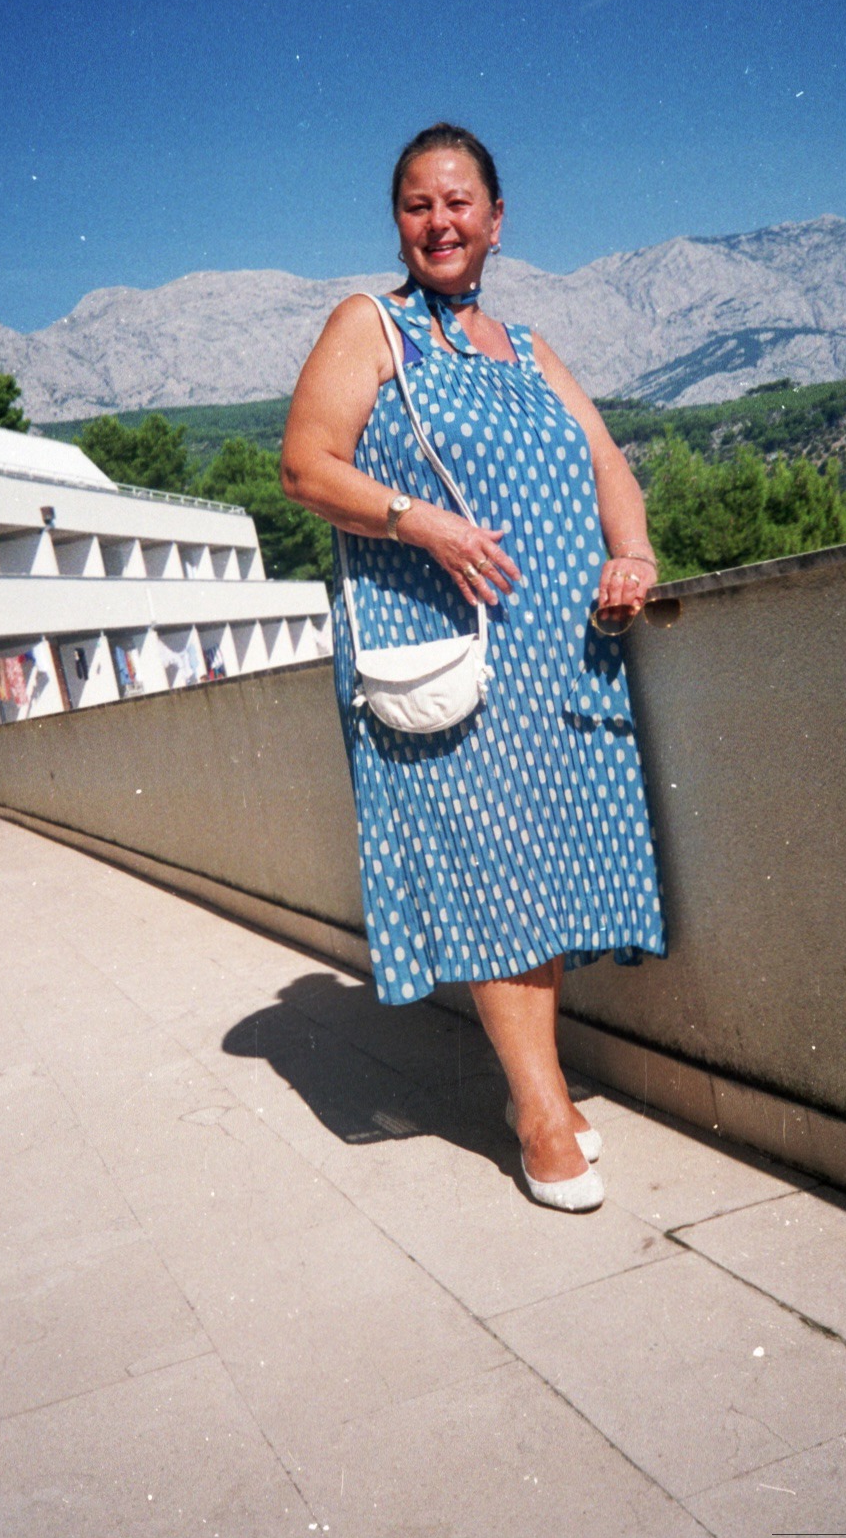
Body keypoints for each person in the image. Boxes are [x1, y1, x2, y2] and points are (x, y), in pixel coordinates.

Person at [282, 123, 665, 1211]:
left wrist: (628, 551)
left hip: (559, 652)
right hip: (445, 650)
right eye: (417, 204)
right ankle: (540, 1109)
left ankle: (531, 1086)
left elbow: (607, 467)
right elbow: (305, 464)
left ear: (496, 219)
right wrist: (424, 523)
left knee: (540, 868)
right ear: (396, 222)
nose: (439, 221)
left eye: (459, 202)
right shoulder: (371, 325)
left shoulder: (530, 347)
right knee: (494, 868)